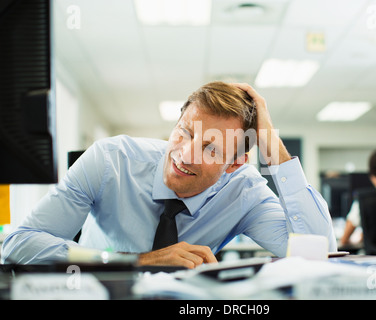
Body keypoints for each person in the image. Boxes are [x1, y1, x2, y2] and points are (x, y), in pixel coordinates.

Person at [1, 82, 336, 268]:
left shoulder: (244, 191)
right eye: (185, 132)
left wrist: (270, 141)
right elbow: (18, 243)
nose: (184, 154)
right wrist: (141, 261)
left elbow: (318, 249)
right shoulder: (111, 160)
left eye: (211, 148)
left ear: (234, 163)